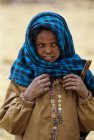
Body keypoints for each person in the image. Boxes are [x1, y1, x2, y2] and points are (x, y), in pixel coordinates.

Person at [0, 11, 94, 140]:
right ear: (32, 45)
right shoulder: (23, 73)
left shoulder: (78, 73)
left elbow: (90, 123)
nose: (48, 50)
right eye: (41, 45)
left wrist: (84, 95)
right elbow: (9, 125)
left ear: (64, 42)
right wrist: (27, 97)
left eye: (55, 44)